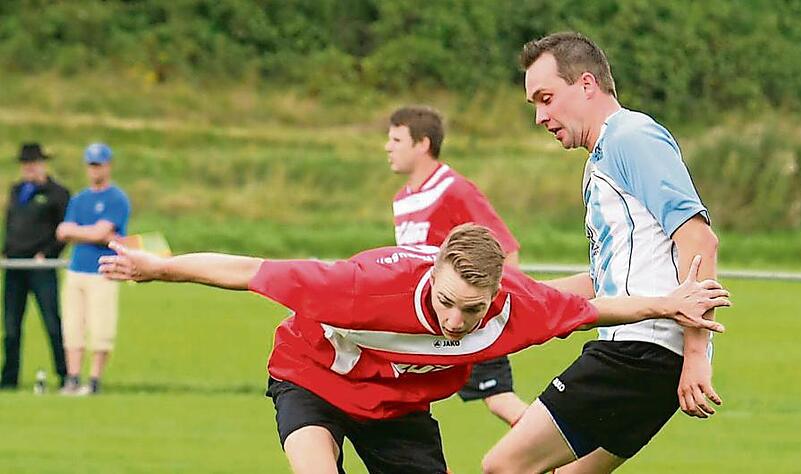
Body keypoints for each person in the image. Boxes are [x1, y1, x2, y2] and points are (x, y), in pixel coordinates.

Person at [98, 223, 729, 473]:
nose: (455, 323)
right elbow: (244, 270)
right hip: (312, 381)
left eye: (471, 311)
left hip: (399, 410)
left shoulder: (515, 307)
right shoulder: (360, 289)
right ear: (433, 276)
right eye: (447, 302)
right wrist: (160, 268)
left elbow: (595, 309)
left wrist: (670, 303)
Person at [482, 32, 724, 473]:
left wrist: (695, 356)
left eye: (546, 98)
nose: (540, 116)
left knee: (504, 466)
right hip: (644, 353)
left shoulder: (632, 137)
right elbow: (604, 281)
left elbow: (698, 240)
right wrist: (509, 296)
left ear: (587, 85)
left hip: (642, 350)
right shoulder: (601, 160)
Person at [385, 105, 528, 426]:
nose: (387, 147)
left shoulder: (454, 189)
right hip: (423, 323)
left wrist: (494, 313)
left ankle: (563, 453)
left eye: (396, 139)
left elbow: (506, 250)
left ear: (422, 144)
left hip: (461, 320)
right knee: (397, 401)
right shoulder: (402, 198)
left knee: (499, 399)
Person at [56, 143, 130, 395]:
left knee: (101, 327)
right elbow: (63, 231)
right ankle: (73, 377)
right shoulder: (80, 199)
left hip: (104, 270)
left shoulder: (116, 198)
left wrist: (83, 232)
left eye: (98, 164)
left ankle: (95, 379)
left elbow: (102, 232)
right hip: (77, 269)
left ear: (108, 166)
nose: (94, 169)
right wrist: (93, 233)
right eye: (91, 164)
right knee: (73, 325)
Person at [1, 143, 70, 390]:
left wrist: (49, 253)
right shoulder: (17, 190)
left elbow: (64, 230)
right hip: (15, 265)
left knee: (52, 322)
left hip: (41, 265)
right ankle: (9, 377)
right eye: (25, 164)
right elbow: (11, 224)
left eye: (33, 163)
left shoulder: (57, 193)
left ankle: (64, 374)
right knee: (10, 326)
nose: (29, 168)